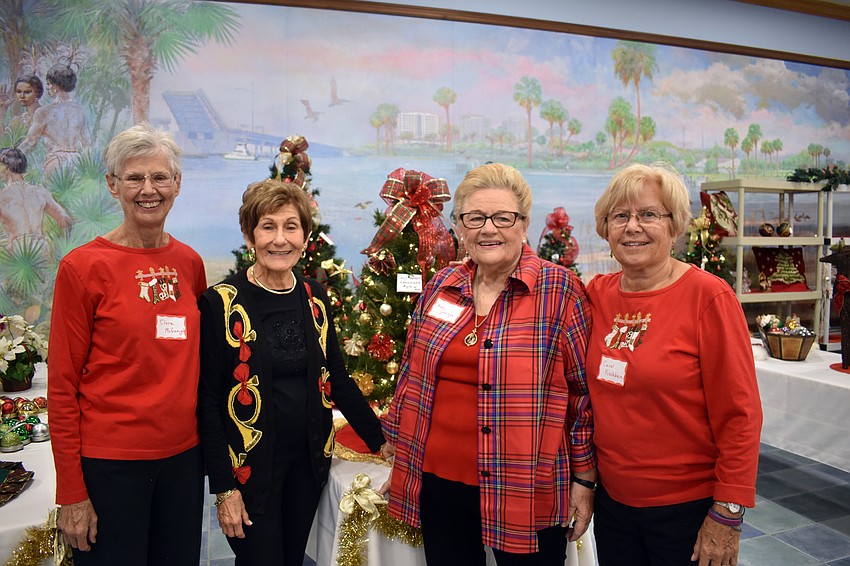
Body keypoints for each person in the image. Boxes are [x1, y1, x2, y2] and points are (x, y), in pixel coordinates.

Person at [380, 162, 596, 565]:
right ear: (460, 227)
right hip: (440, 482)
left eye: (502, 217)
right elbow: (411, 371)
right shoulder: (441, 285)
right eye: (474, 218)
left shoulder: (560, 291)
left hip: (524, 485)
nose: (488, 229)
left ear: (524, 223)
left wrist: (584, 477)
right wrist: (395, 444)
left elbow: (583, 397)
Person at [197, 178, 387, 565]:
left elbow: (335, 374)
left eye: (290, 226)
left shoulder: (313, 296)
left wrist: (381, 440)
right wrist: (223, 489)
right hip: (249, 471)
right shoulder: (220, 302)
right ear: (250, 235)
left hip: (308, 465)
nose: (279, 239)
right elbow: (208, 400)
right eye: (268, 226)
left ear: (305, 235)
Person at [585, 162, 762, 566]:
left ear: (675, 225)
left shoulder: (708, 298)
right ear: (606, 228)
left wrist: (728, 512)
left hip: (688, 511)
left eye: (649, 214)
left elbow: (741, 415)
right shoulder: (597, 295)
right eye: (620, 216)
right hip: (613, 506)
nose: (633, 227)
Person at [48, 123, 207, 564]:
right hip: (109, 467)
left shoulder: (189, 264)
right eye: (135, 178)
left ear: (177, 184)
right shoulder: (82, 268)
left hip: (183, 462)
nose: (148, 189)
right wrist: (72, 492)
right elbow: (62, 387)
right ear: (113, 185)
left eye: (159, 177)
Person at [19, 62, 91, 177]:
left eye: (48, 84)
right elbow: (87, 144)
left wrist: (12, 157)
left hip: (55, 162)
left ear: (55, 86)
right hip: (76, 163)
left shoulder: (44, 112)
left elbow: (29, 142)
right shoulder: (79, 111)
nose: (47, 87)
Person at [0, 147, 71, 250]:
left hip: (17, 250)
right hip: (41, 247)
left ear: (7, 167)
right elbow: (65, 219)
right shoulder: (40, 192)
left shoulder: (2, 198)